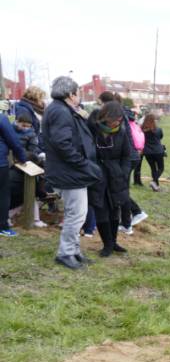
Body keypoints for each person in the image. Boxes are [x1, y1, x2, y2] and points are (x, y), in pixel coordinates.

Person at [42, 76, 102, 269]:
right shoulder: (60, 111)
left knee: (77, 214)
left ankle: (74, 251)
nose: (79, 96)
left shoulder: (59, 109)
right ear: (70, 94)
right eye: (78, 93)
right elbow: (63, 144)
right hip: (69, 172)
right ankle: (66, 253)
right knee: (76, 215)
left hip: (69, 172)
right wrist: (83, 164)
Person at [87, 101, 130, 257]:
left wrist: (123, 172)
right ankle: (107, 244)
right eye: (115, 119)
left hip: (115, 176)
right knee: (101, 210)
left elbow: (127, 155)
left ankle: (114, 242)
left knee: (114, 209)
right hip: (97, 175)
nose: (117, 123)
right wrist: (92, 170)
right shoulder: (91, 129)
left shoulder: (121, 132)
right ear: (106, 116)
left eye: (120, 120)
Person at [1, 114, 28, 237]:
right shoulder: (2, 119)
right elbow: (13, 141)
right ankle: (2, 226)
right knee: (3, 195)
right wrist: (22, 158)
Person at [141, 113, 165, 192]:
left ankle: (156, 187)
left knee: (153, 169)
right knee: (161, 168)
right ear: (153, 120)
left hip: (147, 152)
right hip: (158, 151)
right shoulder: (158, 129)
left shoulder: (142, 130)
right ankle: (154, 181)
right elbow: (161, 137)